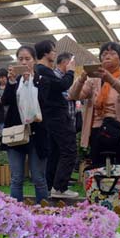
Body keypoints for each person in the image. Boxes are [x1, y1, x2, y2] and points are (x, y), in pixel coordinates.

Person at [69, 42, 120, 215]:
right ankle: (103, 215)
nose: (107, 55)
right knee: (99, 174)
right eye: (104, 53)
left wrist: (110, 79)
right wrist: (82, 78)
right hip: (98, 134)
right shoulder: (93, 81)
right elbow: (73, 95)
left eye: (112, 53)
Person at [1, 45, 50, 204]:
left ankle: (44, 212)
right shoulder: (14, 82)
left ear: (34, 60)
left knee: (38, 178)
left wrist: (31, 82)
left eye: (27, 59)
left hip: (37, 134)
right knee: (16, 177)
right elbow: (6, 101)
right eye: (20, 59)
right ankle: (16, 212)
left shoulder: (42, 81)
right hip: (16, 134)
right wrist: (11, 82)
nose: (23, 62)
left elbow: (43, 103)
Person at [34, 41, 78, 199]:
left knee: (55, 152)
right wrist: (70, 71)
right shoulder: (43, 70)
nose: (54, 54)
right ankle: (59, 187)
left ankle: (51, 185)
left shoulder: (40, 71)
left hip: (50, 117)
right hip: (57, 116)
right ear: (46, 53)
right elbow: (63, 85)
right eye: (53, 51)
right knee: (69, 150)